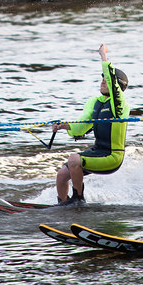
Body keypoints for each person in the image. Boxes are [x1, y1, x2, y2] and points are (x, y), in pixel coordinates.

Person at [52, 44, 130, 205]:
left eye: (106, 79)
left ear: (117, 86)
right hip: (97, 152)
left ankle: (78, 200)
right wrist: (63, 126)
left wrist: (103, 55)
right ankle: (63, 205)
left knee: (74, 159)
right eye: (101, 79)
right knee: (61, 175)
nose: (103, 81)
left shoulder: (119, 105)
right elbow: (82, 125)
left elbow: (112, 81)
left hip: (111, 156)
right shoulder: (95, 102)